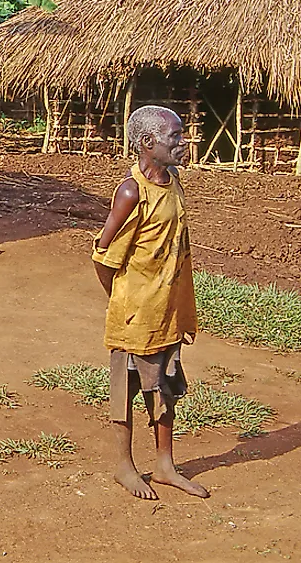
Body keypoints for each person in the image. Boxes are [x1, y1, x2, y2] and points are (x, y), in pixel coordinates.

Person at [92, 105, 208, 500]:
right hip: (136, 314)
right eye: (175, 137)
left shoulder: (173, 181)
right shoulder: (131, 192)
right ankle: (125, 467)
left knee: (165, 387)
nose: (183, 143)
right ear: (147, 143)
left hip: (168, 310)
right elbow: (103, 256)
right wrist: (125, 301)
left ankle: (164, 464)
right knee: (126, 388)